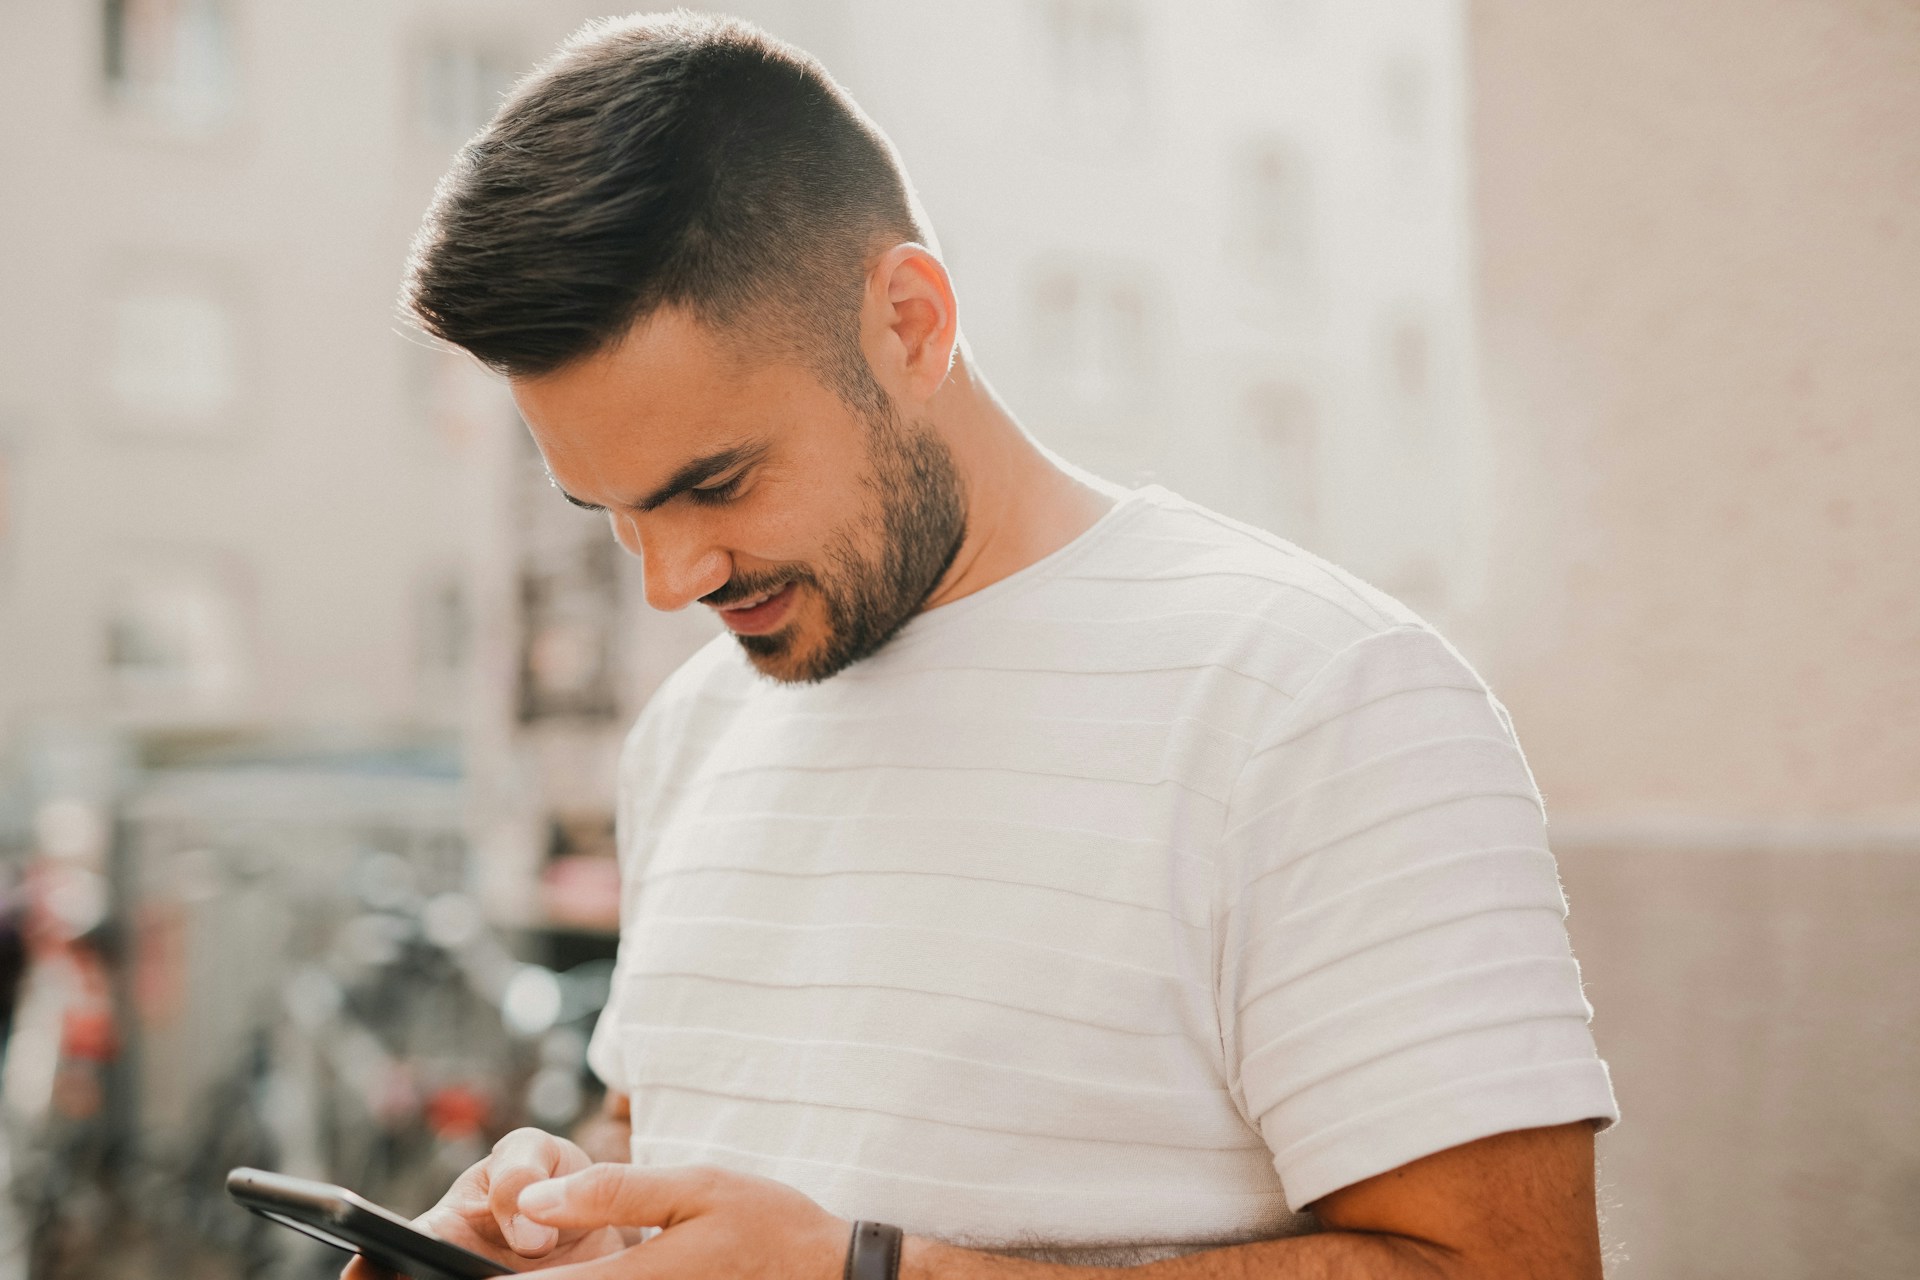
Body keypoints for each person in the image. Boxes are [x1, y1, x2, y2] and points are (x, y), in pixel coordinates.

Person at [351, 12, 1618, 1279]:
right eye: (615, 513)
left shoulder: (1318, 701)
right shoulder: (694, 730)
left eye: (718, 483)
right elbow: (672, 1136)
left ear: (909, 321)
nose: (672, 578)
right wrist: (559, 1216)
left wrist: (872, 1272)